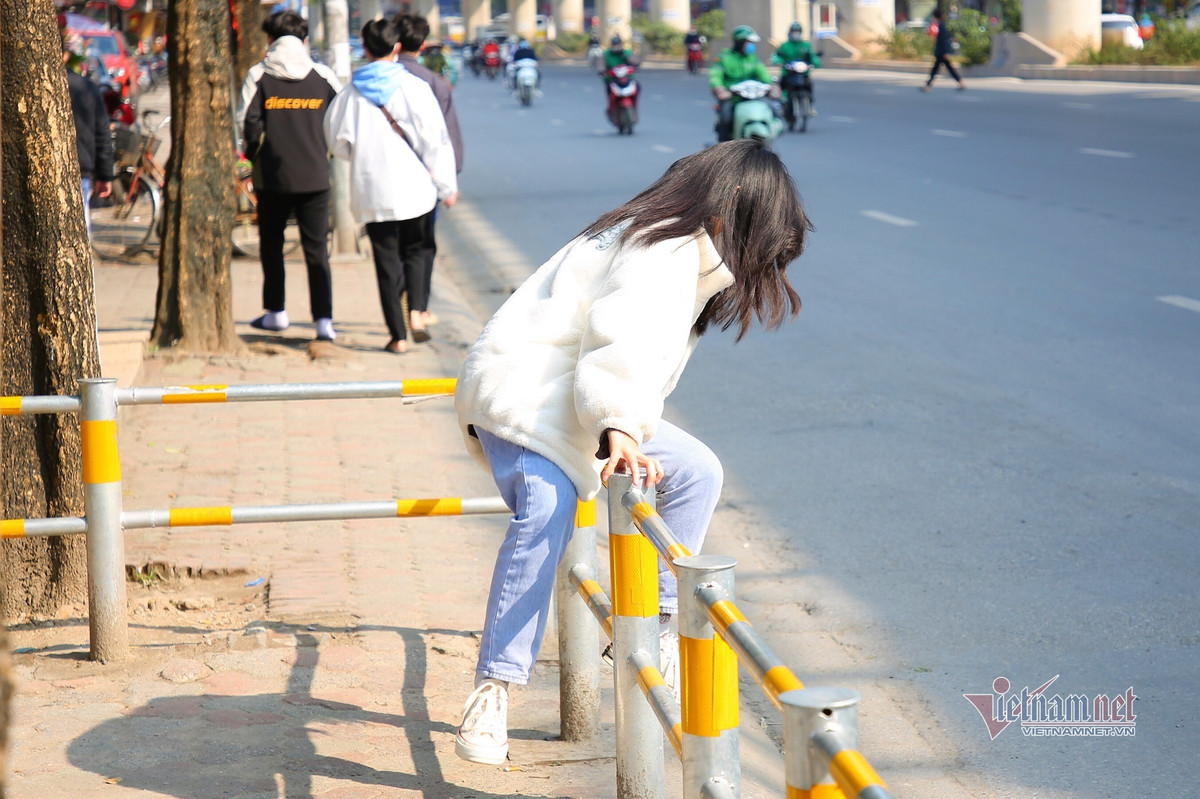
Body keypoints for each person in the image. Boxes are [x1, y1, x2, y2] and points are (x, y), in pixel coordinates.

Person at [452, 139, 812, 765]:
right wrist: (619, 429)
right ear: (735, 209)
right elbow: (618, 338)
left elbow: (629, 359)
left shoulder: (680, 247)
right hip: (526, 395)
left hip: (577, 398)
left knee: (696, 470)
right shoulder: (664, 247)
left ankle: (652, 628)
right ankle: (495, 689)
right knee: (546, 506)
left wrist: (620, 424)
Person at [323, 19, 458, 354]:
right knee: (419, 250)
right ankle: (416, 312)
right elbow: (436, 142)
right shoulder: (415, 88)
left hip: (372, 189)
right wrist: (446, 186)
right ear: (397, 47)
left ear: (365, 48)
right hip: (415, 189)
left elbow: (336, 143)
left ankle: (397, 337)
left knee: (386, 262)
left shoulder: (350, 93)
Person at [240, 10, 342, 341]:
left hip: (272, 179)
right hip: (315, 177)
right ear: (304, 40)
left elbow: (248, 126)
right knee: (317, 250)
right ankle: (324, 321)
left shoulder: (258, 75)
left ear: (270, 39)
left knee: (271, 244)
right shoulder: (324, 78)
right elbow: (340, 124)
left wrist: (254, 159)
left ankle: (276, 313)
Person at [393, 12, 465, 341]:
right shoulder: (433, 82)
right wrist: (450, 180)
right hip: (425, 180)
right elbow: (447, 137)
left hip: (383, 179)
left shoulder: (374, 79)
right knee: (421, 245)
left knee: (391, 244)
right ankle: (418, 308)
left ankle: (397, 304)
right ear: (423, 44)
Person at [63, 32, 113, 238]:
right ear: (66, 55)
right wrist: (105, 175)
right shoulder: (87, 88)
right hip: (80, 171)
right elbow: (102, 133)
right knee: (78, 236)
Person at [709, 25, 775, 142]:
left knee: (774, 111)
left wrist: (772, 86)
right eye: (749, 42)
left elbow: (763, 74)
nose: (752, 46)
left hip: (752, 98)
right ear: (740, 42)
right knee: (725, 119)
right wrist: (719, 89)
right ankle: (724, 150)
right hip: (732, 99)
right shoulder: (724, 58)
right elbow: (715, 76)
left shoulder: (753, 59)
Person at [772, 21, 821, 116]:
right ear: (790, 32)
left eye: (798, 31)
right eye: (794, 31)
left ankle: (810, 106)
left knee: (809, 86)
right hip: (788, 73)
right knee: (782, 86)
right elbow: (777, 55)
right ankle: (783, 104)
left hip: (802, 73)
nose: (796, 33)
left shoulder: (805, 45)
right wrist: (778, 62)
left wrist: (815, 63)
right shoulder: (785, 45)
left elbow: (812, 56)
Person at [922, 9, 965, 92]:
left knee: (937, 70)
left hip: (942, 52)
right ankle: (961, 83)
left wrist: (946, 52)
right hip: (941, 52)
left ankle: (928, 86)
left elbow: (945, 40)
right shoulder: (941, 25)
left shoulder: (942, 26)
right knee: (940, 69)